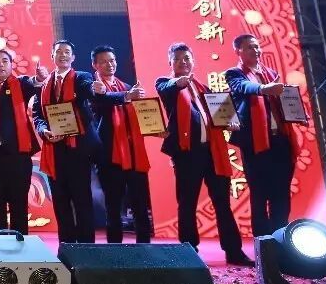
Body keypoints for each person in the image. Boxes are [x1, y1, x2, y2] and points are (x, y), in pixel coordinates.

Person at [156, 43, 252, 265]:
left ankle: (234, 251)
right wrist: (178, 82)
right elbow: (167, 87)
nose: (183, 62)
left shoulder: (204, 89)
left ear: (193, 61)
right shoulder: (166, 84)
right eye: (177, 59)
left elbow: (220, 116)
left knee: (222, 203)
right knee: (187, 203)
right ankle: (189, 252)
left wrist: (230, 122)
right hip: (187, 153)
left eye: (187, 58)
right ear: (170, 63)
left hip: (213, 151)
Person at [225, 34, 298, 237]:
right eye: (249, 47)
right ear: (238, 51)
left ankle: (280, 239)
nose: (255, 50)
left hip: (280, 141)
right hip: (255, 144)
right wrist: (263, 88)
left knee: (281, 194)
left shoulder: (271, 73)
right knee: (259, 195)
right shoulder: (234, 74)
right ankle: (264, 245)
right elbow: (243, 87)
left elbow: (283, 103)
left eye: (257, 46)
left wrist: (298, 114)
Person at [0, 50, 45, 235]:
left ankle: (20, 243)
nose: (1, 64)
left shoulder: (21, 84)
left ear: (11, 65)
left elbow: (34, 84)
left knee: (19, 202)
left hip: (17, 154)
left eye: (5, 61)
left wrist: (39, 78)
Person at [35, 40, 100, 243]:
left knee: (82, 201)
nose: (62, 55)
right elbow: (38, 115)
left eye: (67, 52)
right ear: (52, 56)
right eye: (58, 52)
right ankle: (66, 246)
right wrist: (44, 130)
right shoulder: (44, 84)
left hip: (78, 149)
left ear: (73, 57)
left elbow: (88, 88)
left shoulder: (81, 77)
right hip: (54, 150)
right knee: (60, 202)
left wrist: (94, 88)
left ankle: (86, 248)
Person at [88, 46, 153, 244]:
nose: (110, 64)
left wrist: (154, 125)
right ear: (95, 65)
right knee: (114, 206)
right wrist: (127, 96)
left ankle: (144, 248)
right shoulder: (92, 87)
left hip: (133, 154)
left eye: (112, 60)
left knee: (140, 204)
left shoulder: (125, 86)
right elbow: (102, 101)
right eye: (104, 61)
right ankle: (115, 250)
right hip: (109, 156)